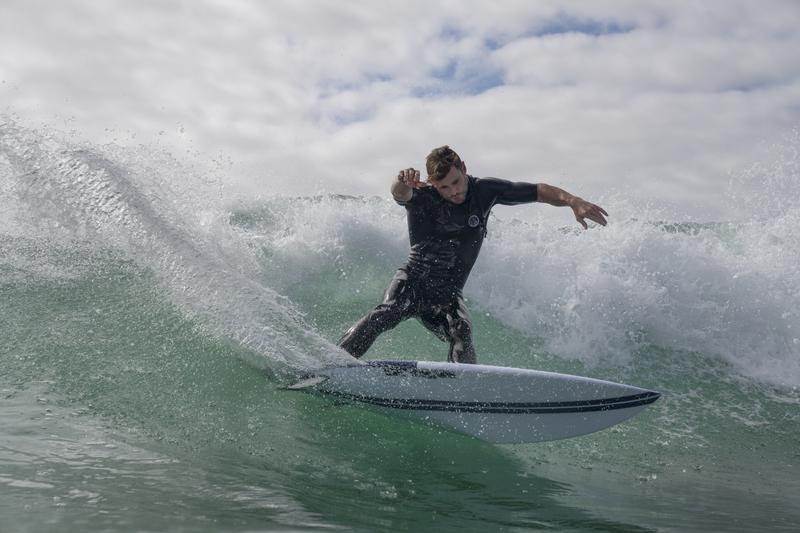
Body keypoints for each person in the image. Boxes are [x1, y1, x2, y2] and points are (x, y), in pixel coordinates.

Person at [338, 145, 608, 364]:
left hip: (447, 295)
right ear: (432, 183)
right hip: (413, 282)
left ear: (464, 169)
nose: (453, 191)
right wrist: (400, 180)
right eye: (444, 187)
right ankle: (334, 364)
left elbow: (537, 191)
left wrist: (573, 201)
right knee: (386, 314)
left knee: (461, 332)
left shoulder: (484, 191)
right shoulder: (425, 197)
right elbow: (400, 193)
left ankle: (462, 393)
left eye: (456, 181)